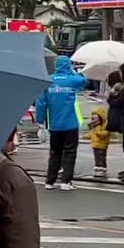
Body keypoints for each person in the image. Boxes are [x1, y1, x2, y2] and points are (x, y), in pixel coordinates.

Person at [35, 55, 88, 191]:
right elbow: (84, 81)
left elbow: (41, 103)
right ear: (68, 65)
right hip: (70, 123)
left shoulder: (48, 80)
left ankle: (49, 181)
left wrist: (40, 122)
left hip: (54, 124)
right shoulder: (72, 80)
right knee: (70, 152)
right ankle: (66, 181)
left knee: (55, 152)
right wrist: (73, 72)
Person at [88, 107, 111, 179]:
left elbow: (106, 133)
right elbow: (92, 134)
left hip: (102, 145)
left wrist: (98, 133)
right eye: (93, 119)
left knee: (101, 157)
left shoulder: (104, 125)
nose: (94, 121)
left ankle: (102, 169)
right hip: (95, 145)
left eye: (95, 119)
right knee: (97, 158)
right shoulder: (95, 126)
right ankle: (98, 169)